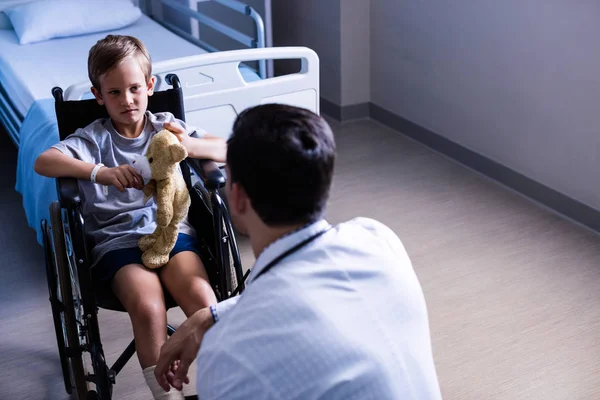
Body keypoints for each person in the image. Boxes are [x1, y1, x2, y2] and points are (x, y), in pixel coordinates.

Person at [154, 103, 443, 399]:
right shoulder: (377, 238)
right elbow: (310, 297)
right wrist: (212, 314)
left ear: (237, 198)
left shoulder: (230, 354)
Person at [34, 35, 224, 400]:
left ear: (150, 86)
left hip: (171, 233)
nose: (127, 100)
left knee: (204, 299)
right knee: (149, 307)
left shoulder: (166, 127)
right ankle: (166, 395)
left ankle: (227, 383)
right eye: (115, 92)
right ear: (98, 95)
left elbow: (225, 149)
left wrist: (186, 145)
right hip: (117, 241)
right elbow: (44, 162)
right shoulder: (92, 139)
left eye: (135, 88)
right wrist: (99, 173)